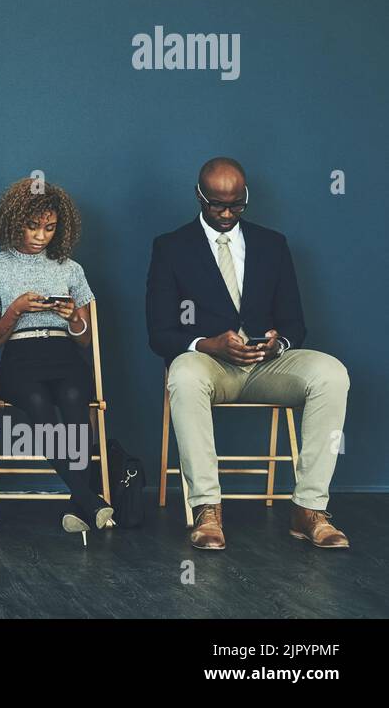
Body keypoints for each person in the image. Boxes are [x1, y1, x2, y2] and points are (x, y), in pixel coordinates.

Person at [145, 157, 350, 550]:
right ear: (199, 196)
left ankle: (308, 509)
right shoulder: (171, 247)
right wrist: (208, 344)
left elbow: (295, 324)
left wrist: (279, 343)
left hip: (266, 365)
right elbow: (159, 333)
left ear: (246, 198)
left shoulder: (272, 244)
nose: (225, 214)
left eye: (236, 205)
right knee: (183, 374)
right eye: (216, 205)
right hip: (208, 366)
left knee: (332, 373)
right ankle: (207, 509)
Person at [0, 177, 113, 534]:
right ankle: (91, 499)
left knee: (73, 397)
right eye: (32, 226)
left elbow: (85, 341)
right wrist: (16, 309)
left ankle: (79, 504)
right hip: (20, 358)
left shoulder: (70, 269)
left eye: (49, 228)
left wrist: (73, 319)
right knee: (37, 404)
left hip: (63, 353)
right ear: (13, 220)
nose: (40, 236)